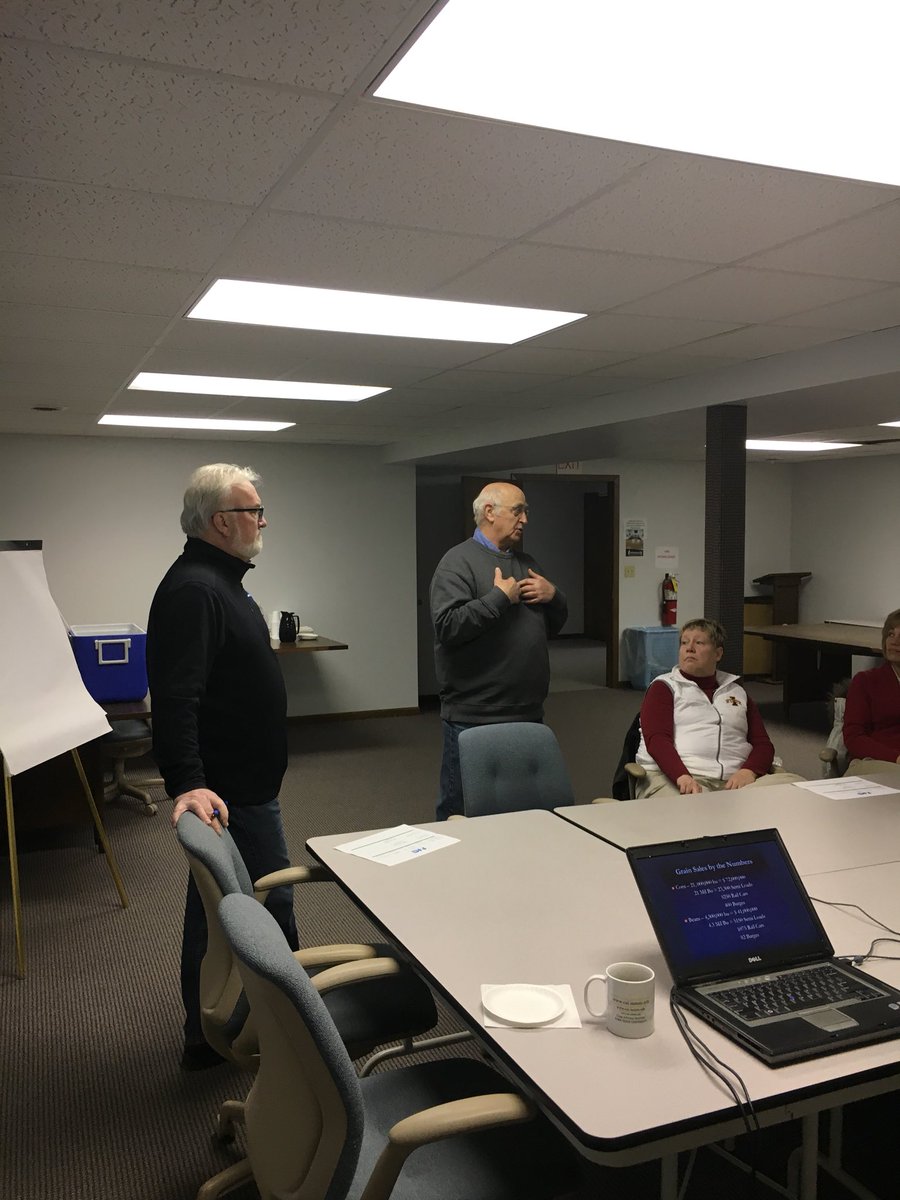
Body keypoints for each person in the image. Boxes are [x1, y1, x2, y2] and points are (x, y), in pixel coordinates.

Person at [147, 463, 298, 1069]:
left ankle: (206, 1034)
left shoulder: (222, 580)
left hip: (244, 785)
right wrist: (187, 781)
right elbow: (177, 697)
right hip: (232, 793)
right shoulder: (196, 589)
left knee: (215, 910)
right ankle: (293, 1034)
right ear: (220, 522)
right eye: (253, 511)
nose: (262, 521)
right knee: (265, 907)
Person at [430, 481, 567, 819]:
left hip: (527, 711)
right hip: (474, 714)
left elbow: (555, 625)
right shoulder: (456, 562)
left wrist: (555, 596)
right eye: (518, 510)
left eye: (526, 512)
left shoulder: (527, 561)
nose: (525, 519)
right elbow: (448, 627)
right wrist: (498, 599)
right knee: (460, 812)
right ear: (489, 512)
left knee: (521, 810)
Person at [634, 618, 801, 797]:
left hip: (737, 780)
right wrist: (682, 776)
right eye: (684, 642)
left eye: (699, 642)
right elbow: (657, 740)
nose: (689, 648)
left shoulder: (737, 692)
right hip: (679, 778)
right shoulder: (664, 687)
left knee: (799, 790)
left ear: (718, 654)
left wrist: (749, 771)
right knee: (696, 812)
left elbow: (763, 744)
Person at [843, 608, 900, 776]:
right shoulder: (866, 681)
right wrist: (896, 758)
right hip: (874, 760)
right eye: (891, 634)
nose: (895, 641)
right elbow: (854, 738)